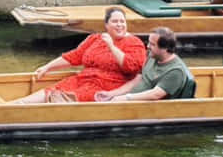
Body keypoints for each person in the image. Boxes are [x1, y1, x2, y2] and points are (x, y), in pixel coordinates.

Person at [14, 6, 147, 103]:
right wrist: (47, 67)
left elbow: (133, 67)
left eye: (122, 22)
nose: (119, 25)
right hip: (84, 78)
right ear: (106, 25)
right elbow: (74, 56)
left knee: (68, 96)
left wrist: (112, 47)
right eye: (115, 22)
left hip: (108, 85)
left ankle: (26, 110)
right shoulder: (95, 38)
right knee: (58, 87)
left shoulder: (134, 43)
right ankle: (18, 104)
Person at [94, 27, 195, 102]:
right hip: (130, 100)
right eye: (149, 42)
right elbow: (136, 80)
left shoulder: (175, 72)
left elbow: (155, 94)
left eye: (152, 44)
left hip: (145, 108)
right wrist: (111, 94)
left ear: (165, 49)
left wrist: (125, 98)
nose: (147, 46)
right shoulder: (152, 56)